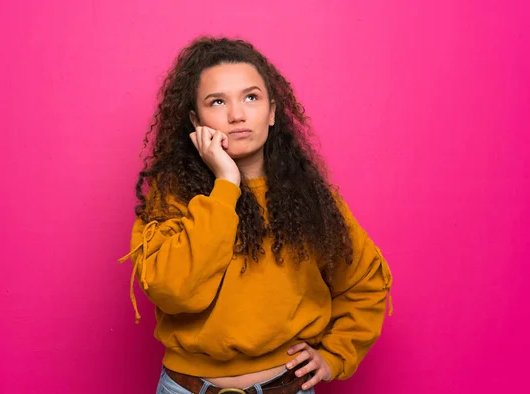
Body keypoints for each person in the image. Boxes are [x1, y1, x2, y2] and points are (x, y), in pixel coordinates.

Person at [119, 36, 393, 394]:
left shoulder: (310, 199)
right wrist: (226, 183)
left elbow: (364, 283)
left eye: (251, 97)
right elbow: (175, 292)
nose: (237, 115)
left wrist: (335, 354)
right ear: (195, 119)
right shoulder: (171, 199)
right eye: (217, 102)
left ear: (272, 111)